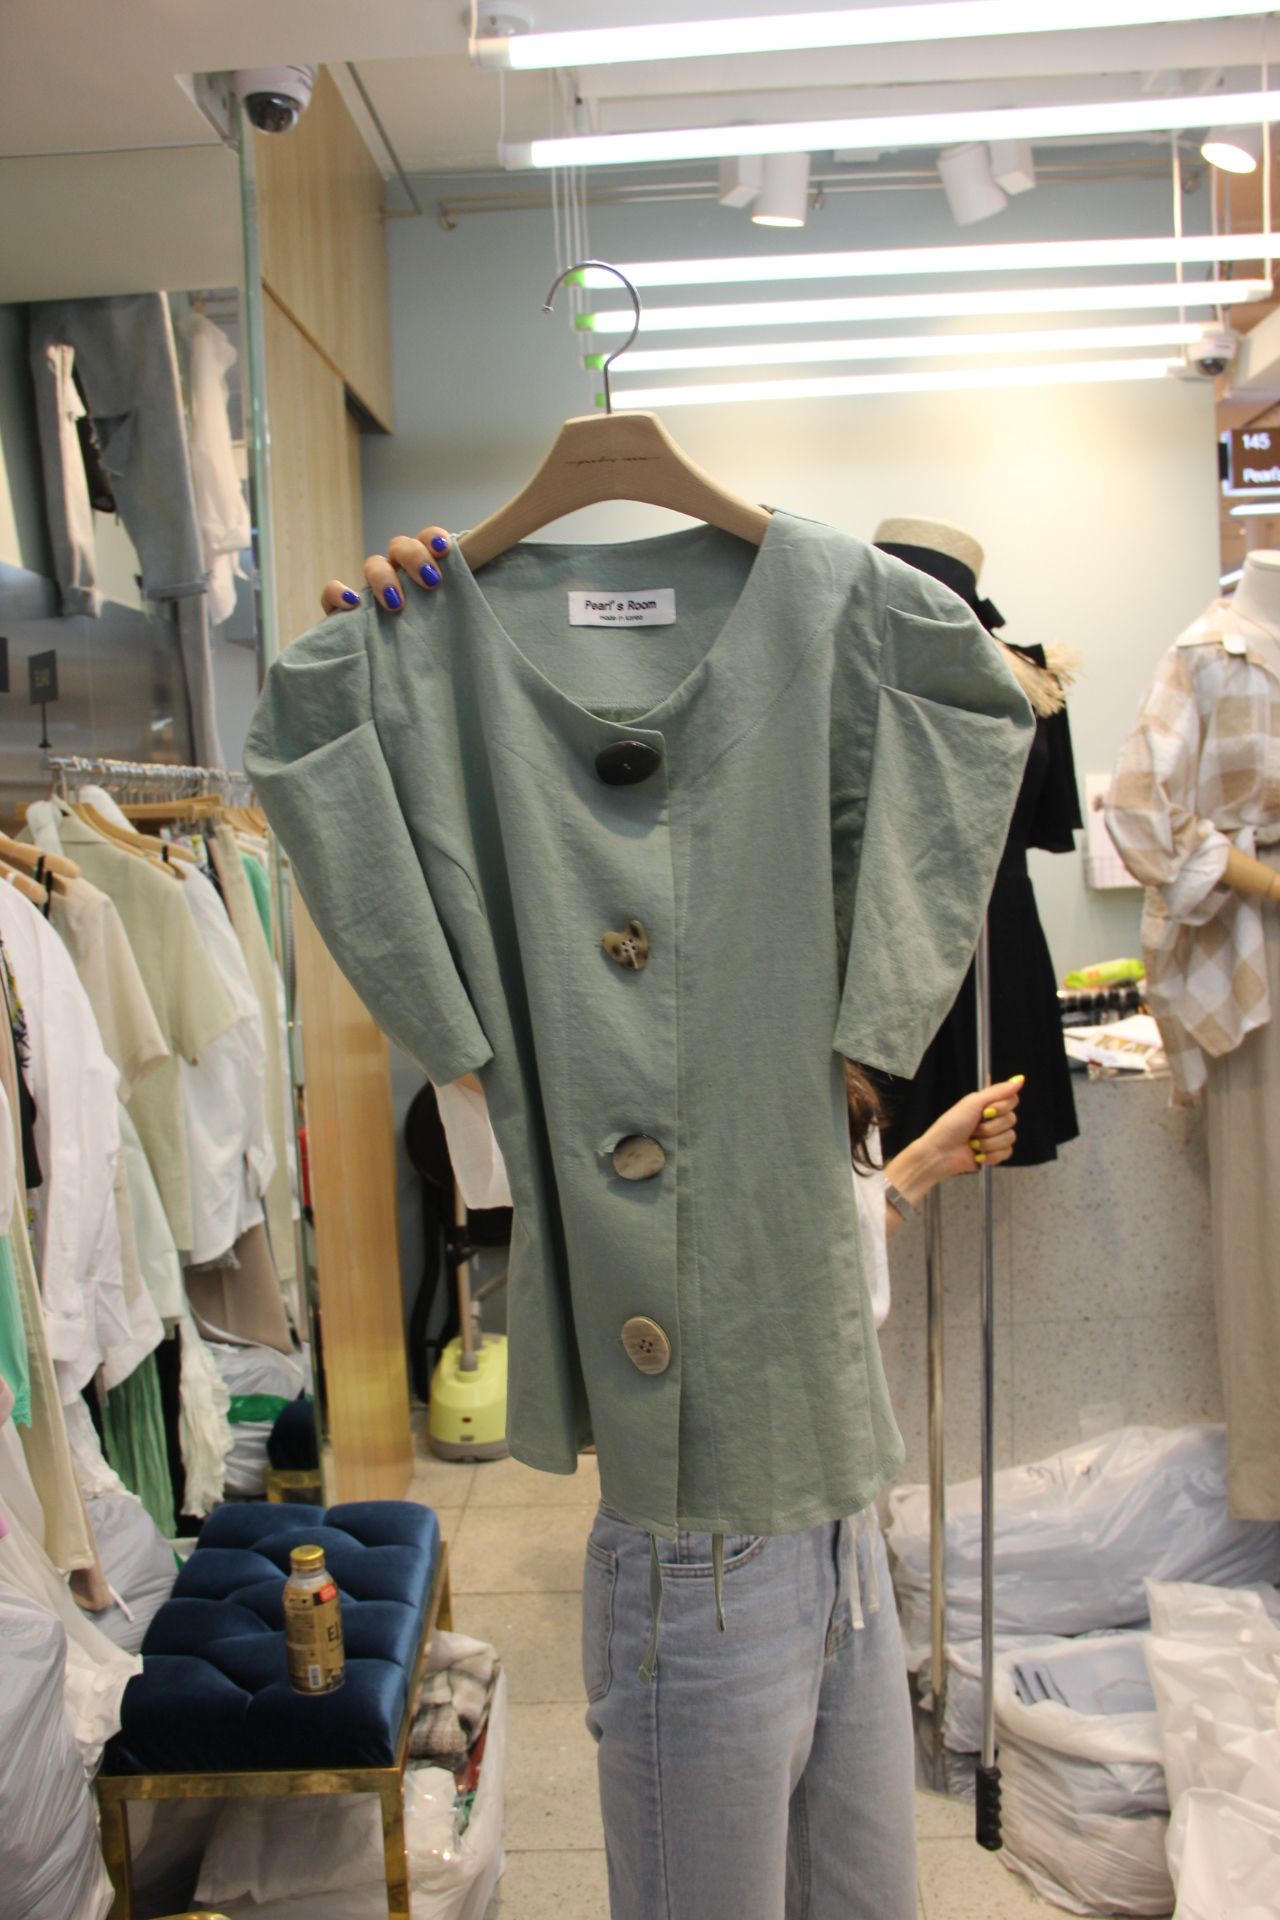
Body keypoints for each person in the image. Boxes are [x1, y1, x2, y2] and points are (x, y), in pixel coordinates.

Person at [316, 531, 1022, 1919]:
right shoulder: (437, 671)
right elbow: (311, 730)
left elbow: (977, 696)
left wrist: (895, 1080)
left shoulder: (838, 616)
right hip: (701, 1538)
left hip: (842, 1512)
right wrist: (389, 694)